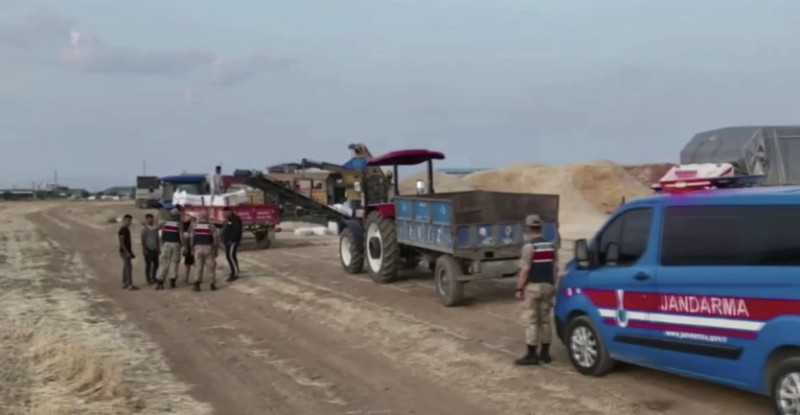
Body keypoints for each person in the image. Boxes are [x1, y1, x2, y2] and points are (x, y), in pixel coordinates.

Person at [514, 214, 557, 366]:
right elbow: (554, 268)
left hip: (533, 287)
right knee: (545, 320)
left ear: (528, 229)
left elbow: (525, 269)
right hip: (548, 286)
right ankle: (545, 353)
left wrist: (519, 288)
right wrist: (553, 285)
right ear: (541, 227)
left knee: (531, 320)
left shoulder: (529, 247)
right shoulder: (550, 245)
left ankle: (532, 354)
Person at [155, 208, 184, 290]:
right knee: (174, 263)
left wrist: (161, 244)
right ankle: (172, 282)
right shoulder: (179, 224)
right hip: (176, 244)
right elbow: (181, 236)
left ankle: (160, 282)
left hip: (166, 244)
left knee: (164, 263)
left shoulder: (165, 222)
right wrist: (183, 245)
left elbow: (159, 231)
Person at [190, 212, 219, 291]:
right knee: (211, 267)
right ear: (207, 217)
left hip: (198, 247)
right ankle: (212, 284)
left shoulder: (194, 226)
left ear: (199, 218)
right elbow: (215, 239)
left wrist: (192, 248)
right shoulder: (211, 226)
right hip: (208, 247)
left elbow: (192, 238)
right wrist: (216, 250)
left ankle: (197, 285)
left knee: (198, 266)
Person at [117, 214, 139, 290]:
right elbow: (122, 243)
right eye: (127, 220)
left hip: (125, 251)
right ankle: (129, 284)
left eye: (129, 221)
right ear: (124, 221)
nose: (129, 222)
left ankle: (125, 283)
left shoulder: (126, 229)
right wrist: (127, 252)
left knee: (126, 267)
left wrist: (131, 252)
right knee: (128, 267)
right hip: (124, 252)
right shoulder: (123, 230)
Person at [221, 207, 243, 282]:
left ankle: (235, 274)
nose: (223, 215)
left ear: (229, 212)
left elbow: (236, 231)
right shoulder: (228, 220)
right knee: (229, 256)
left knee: (231, 256)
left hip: (232, 242)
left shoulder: (235, 219)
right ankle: (233, 271)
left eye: (224, 213)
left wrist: (232, 240)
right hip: (227, 242)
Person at [141, 213, 160, 285]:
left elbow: (157, 239)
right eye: (148, 219)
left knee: (156, 264)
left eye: (151, 219)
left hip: (155, 248)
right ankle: (148, 279)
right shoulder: (145, 229)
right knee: (148, 265)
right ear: (146, 220)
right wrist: (144, 249)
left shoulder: (155, 229)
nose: (150, 220)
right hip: (148, 249)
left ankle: (153, 277)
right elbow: (143, 239)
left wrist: (158, 248)